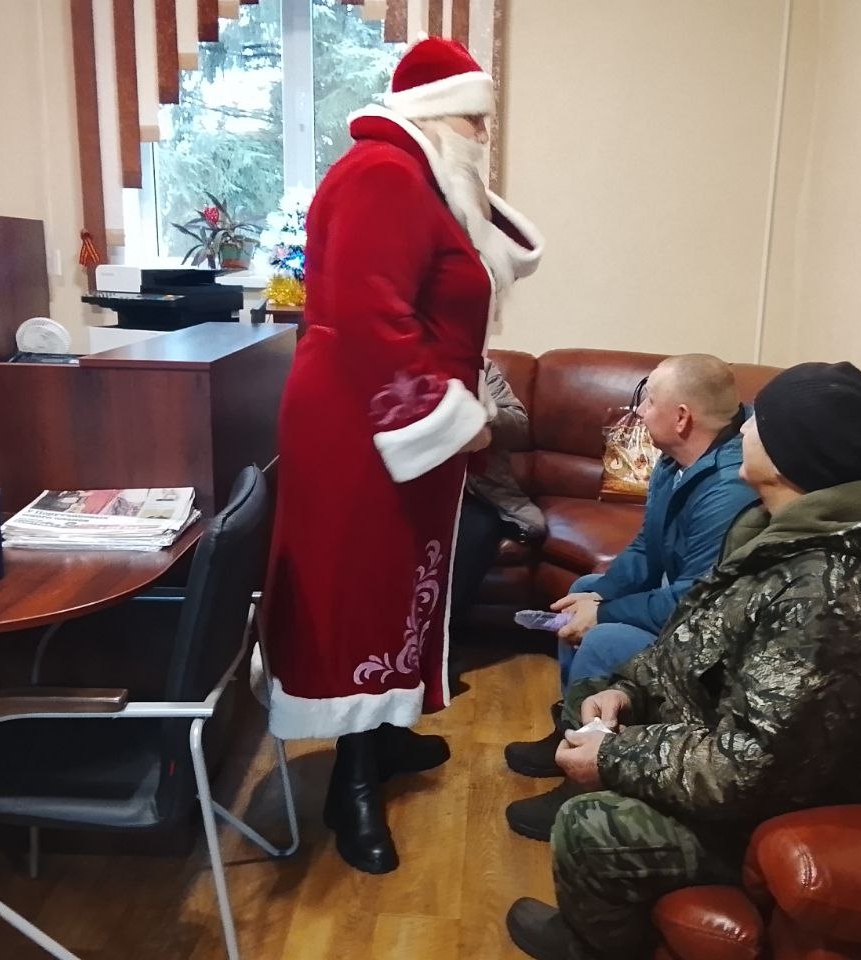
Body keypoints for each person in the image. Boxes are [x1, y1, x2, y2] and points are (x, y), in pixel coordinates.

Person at [504, 361, 861, 960]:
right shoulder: (775, 531)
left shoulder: (830, 598)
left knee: (593, 825)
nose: (741, 428)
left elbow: (752, 769)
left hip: (790, 810)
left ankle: (589, 945)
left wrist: (614, 756)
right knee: (605, 687)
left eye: (759, 422)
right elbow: (698, 639)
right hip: (733, 749)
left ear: (792, 455)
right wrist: (628, 691)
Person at [260, 37, 544, 875]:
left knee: (401, 588)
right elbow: (368, 320)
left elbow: (478, 267)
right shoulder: (381, 176)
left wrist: (457, 417)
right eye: (474, 119)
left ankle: (382, 735)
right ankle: (351, 782)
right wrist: (455, 417)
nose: (483, 136)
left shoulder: (421, 179)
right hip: (363, 430)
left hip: (395, 430)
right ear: (433, 113)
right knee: (363, 592)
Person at [503, 355, 758, 840]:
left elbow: (696, 601)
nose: (638, 410)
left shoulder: (728, 489)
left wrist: (604, 615)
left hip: (710, 639)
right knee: (582, 591)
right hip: (686, 605)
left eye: (648, 400)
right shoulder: (676, 459)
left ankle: (585, 782)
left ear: (682, 417)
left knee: (603, 640)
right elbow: (646, 548)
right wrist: (598, 597)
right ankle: (572, 729)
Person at [451, 357, 546, 619]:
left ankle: (447, 631)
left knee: (477, 530)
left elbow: (519, 425)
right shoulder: (400, 365)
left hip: (476, 494)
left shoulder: (481, 368)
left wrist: (478, 412)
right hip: (415, 491)